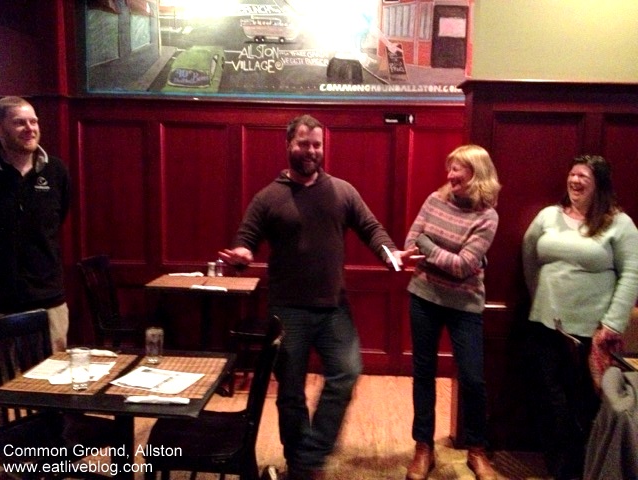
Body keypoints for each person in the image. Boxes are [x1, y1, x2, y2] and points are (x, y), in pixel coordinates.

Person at [219, 114, 416, 480]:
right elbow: (246, 239)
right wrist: (242, 255)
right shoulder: (268, 197)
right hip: (287, 311)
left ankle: (309, 458)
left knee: (347, 373)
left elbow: (371, 228)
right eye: (303, 144)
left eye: (317, 144)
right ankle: (301, 468)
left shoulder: (342, 191)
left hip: (333, 308)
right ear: (288, 145)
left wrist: (391, 255)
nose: (311, 151)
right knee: (290, 393)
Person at [521, 154, 638, 480]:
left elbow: (632, 274)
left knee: (583, 404)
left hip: (592, 332)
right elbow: (529, 257)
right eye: (572, 175)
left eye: (583, 176)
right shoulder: (548, 216)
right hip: (545, 324)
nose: (575, 181)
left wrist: (612, 324)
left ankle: (584, 469)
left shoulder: (619, 223)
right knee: (549, 400)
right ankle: (561, 469)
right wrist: (542, 297)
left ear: (599, 183)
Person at [404, 144, 501, 480]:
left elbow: (462, 267)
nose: (450, 175)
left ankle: (477, 450)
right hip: (424, 297)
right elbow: (411, 241)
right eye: (450, 168)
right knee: (423, 373)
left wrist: (429, 246)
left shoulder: (487, 216)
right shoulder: (435, 200)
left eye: (458, 169)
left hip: (465, 305)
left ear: (477, 173)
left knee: (472, 378)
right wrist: (449, 255)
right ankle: (423, 447)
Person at [0, 96, 71, 352]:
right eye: (20, 123)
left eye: (34, 121)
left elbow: (57, 222)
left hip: (48, 300)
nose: (30, 128)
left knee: (53, 374)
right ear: (0, 129)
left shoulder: (56, 171)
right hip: (1, 303)